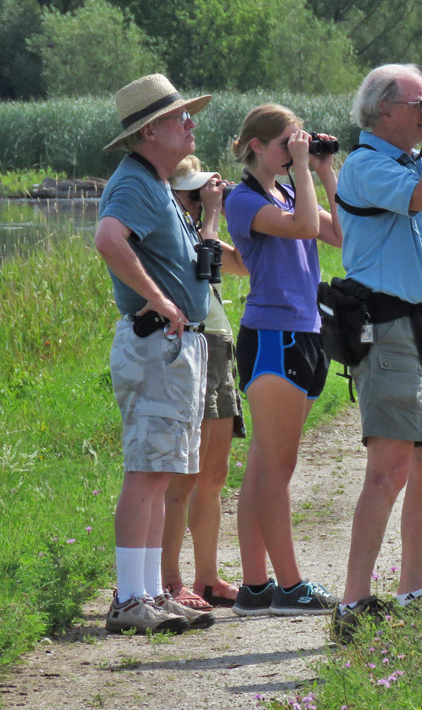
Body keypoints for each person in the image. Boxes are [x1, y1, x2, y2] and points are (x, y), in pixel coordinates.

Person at [329, 64, 422, 642]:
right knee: (388, 470)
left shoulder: (415, 160)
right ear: (383, 111)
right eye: (421, 104)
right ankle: (353, 603)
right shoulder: (366, 167)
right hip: (388, 330)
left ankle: (412, 592)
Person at [95, 73, 218, 633]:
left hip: (173, 347)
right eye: (179, 118)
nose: (190, 123)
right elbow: (108, 238)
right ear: (150, 131)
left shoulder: (156, 181)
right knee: (146, 473)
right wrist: (162, 301)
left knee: (160, 472)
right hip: (156, 345)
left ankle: (144, 593)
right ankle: (127, 600)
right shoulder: (135, 183)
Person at [224, 104, 343, 616]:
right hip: (273, 335)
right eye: (284, 144)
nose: (291, 150)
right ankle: (290, 587)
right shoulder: (242, 199)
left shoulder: (292, 190)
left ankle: (255, 587)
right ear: (258, 146)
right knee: (277, 468)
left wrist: (321, 169)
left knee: (262, 468)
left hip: (305, 332)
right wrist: (300, 166)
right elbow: (299, 229)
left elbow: (338, 233)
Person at [160, 156, 249, 610]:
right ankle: (169, 580)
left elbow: (245, 265)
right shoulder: (167, 226)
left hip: (220, 345)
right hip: (193, 345)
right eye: (191, 192)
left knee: (213, 476)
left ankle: (208, 578)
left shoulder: (196, 226)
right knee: (184, 475)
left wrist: (244, 207)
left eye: (201, 191)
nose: (199, 199)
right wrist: (212, 213)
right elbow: (205, 271)